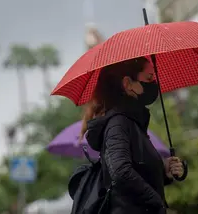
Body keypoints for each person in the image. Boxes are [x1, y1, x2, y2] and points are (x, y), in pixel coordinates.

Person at [79, 56, 186, 214]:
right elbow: (121, 173)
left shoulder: (133, 122)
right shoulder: (118, 123)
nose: (153, 83)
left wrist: (164, 170)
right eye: (149, 78)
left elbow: (137, 172)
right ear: (128, 84)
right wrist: (158, 204)